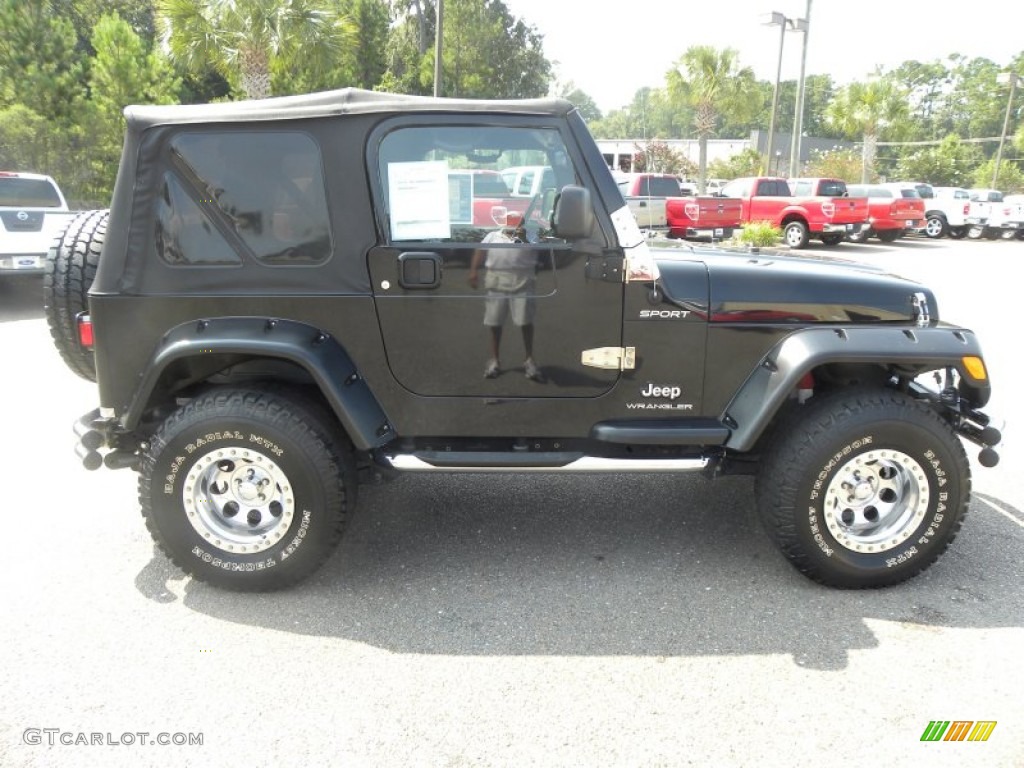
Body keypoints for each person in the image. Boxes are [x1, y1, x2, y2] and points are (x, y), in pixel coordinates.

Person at [468, 211, 543, 381]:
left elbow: (535, 250)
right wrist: (473, 271)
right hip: (496, 281)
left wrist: (522, 237)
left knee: (526, 322)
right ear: (505, 221)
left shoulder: (530, 236)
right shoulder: (493, 236)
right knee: (494, 322)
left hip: (523, 281)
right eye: (511, 219)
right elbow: (479, 251)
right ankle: (494, 360)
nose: (514, 222)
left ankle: (529, 360)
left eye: (518, 220)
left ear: (523, 221)